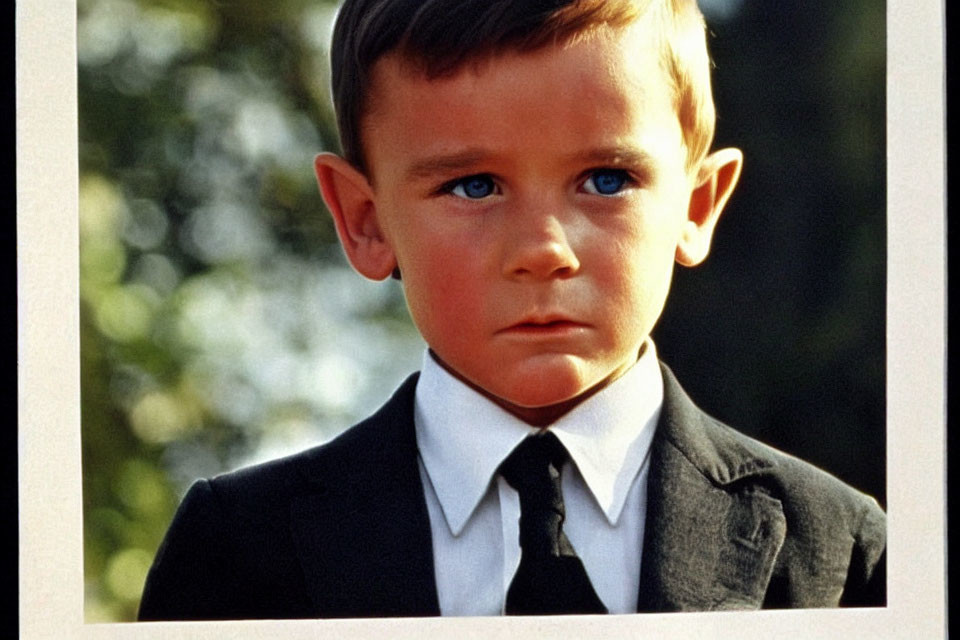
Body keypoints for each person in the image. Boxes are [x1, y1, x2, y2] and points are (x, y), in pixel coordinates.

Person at [138, 0, 885, 620]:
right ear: (365, 221)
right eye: (473, 186)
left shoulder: (840, 550)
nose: (543, 249)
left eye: (605, 179)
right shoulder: (236, 550)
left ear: (696, 205)